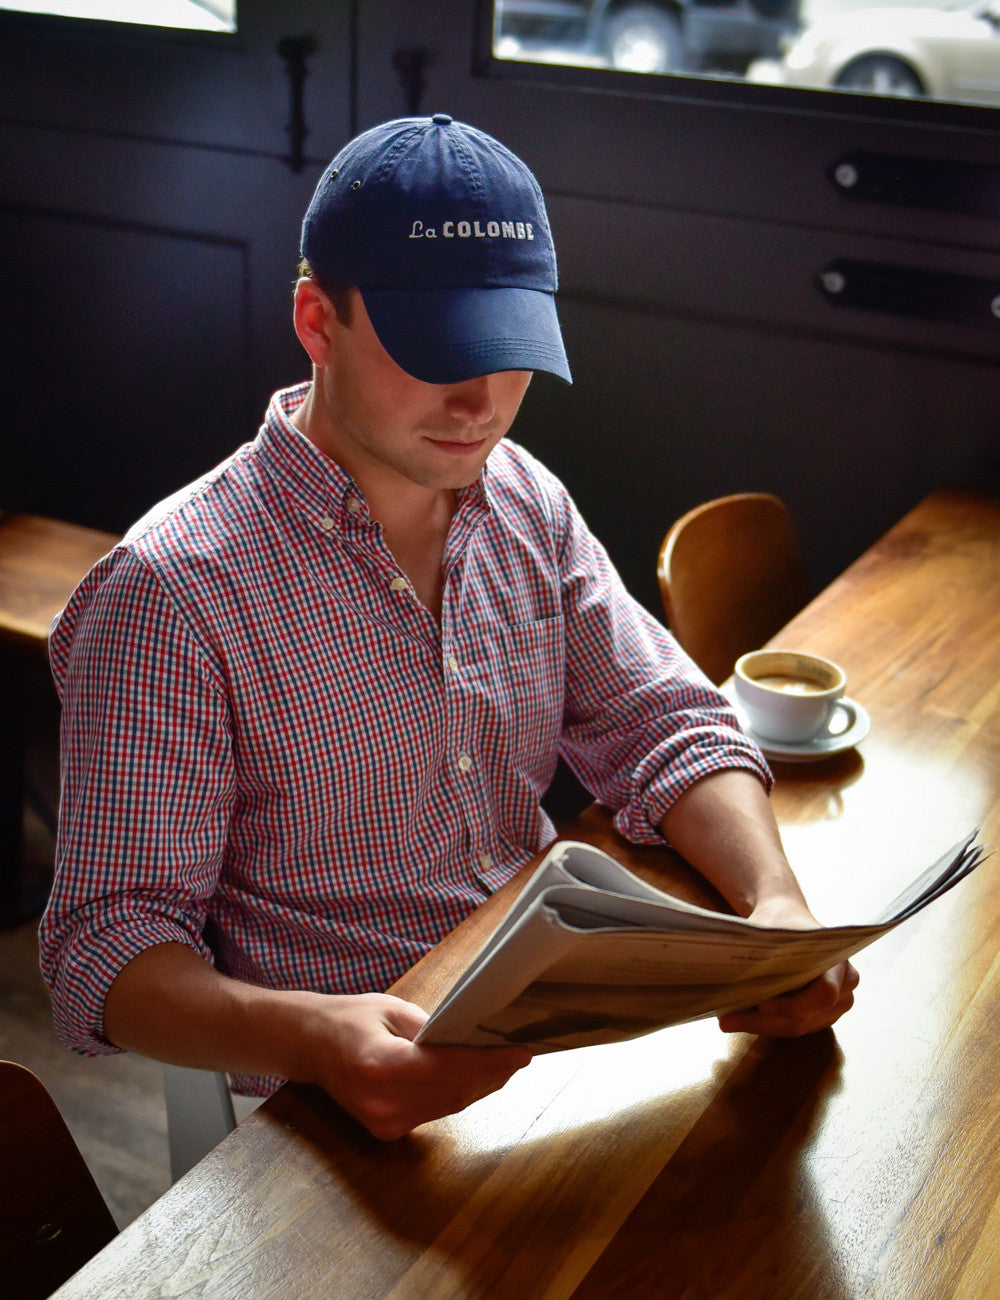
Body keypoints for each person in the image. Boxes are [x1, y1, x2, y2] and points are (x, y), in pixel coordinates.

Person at [39, 114, 857, 1142]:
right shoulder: (170, 592)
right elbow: (104, 947)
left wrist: (776, 910)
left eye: (507, 353)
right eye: (436, 353)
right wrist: (313, 1041)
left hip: (552, 1049)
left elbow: (665, 725)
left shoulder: (525, 498)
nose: (479, 402)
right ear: (315, 320)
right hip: (328, 1115)